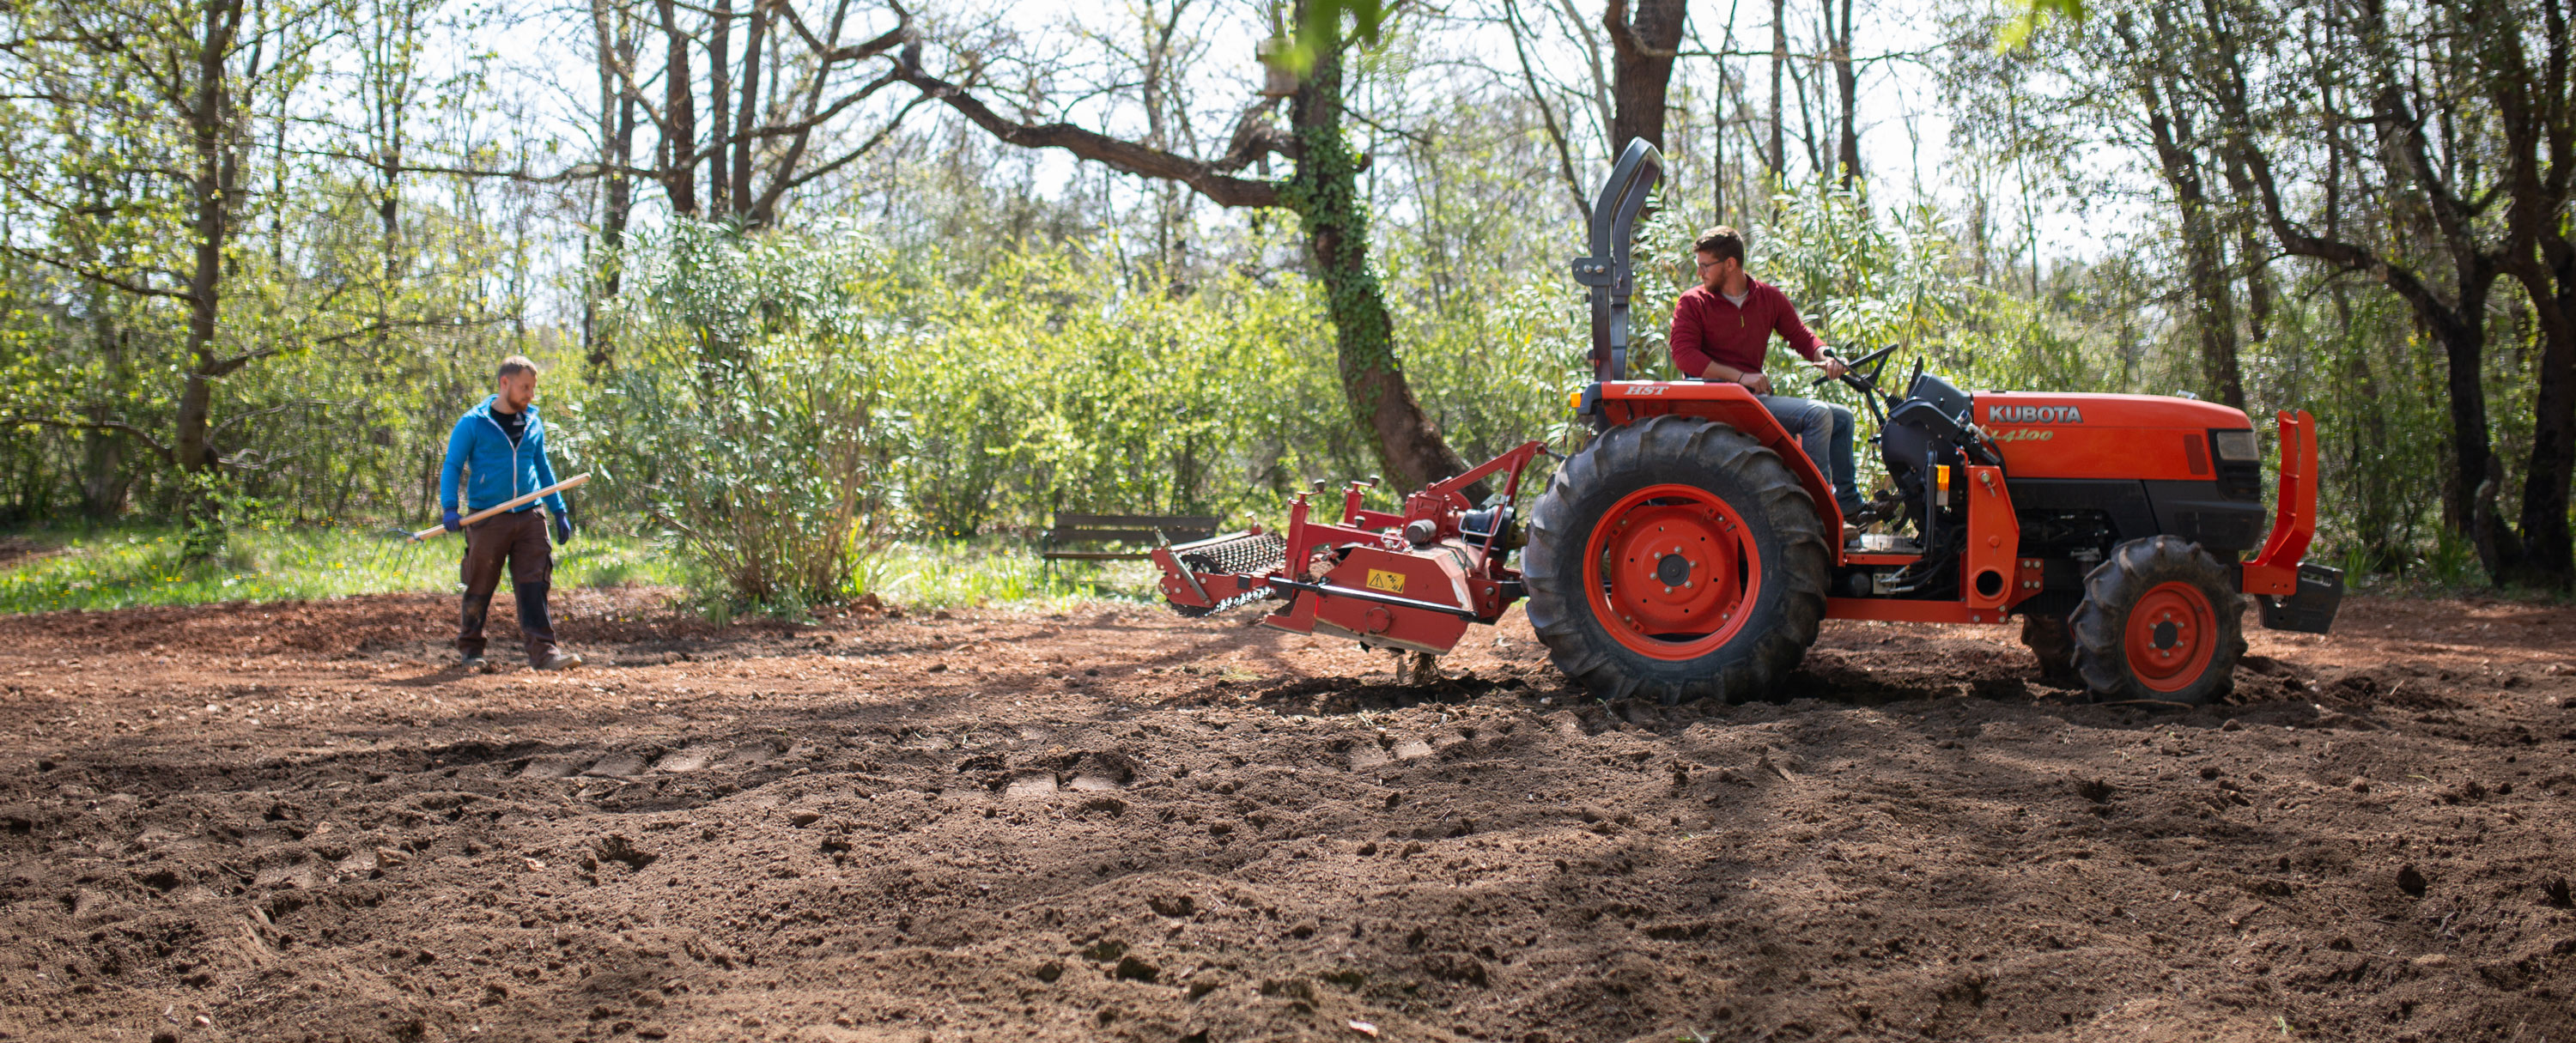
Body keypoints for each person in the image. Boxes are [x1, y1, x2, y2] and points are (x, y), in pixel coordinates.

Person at [1668, 226, 1865, 521]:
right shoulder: (1693, 302)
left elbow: (1801, 337)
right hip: (1716, 401)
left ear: (1730, 264)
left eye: (1705, 266)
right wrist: (1738, 377)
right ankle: (1817, 516)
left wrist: (1827, 356)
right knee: (1817, 415)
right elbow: (1684, 355)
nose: (1700, 273)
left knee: (1841, 419)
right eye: (1699, 267)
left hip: (1750, 398)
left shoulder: (1768, 298)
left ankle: (1849, 506)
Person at [439, 355, 582, 672]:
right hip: (488, 517)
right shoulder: (473, 423)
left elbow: (542, 467)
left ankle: (544, 654)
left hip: (531, 515)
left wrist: (557, 509)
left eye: (533, 388)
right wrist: (449, 506)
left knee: (535, 584)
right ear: (505, 383)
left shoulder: (533, 421)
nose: (531, 394)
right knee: (480, 584)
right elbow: (452, 465)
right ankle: (471, 651)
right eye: (525, 387)